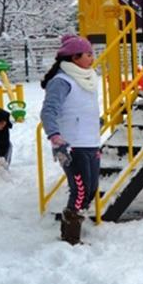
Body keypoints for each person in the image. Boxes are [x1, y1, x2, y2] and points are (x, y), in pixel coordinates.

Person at [40, 34, 101, 244]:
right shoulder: (61, 81)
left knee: (91, 189)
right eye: (88, 54)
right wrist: (55, 137)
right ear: (74, 57)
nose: (92, 58)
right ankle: (70, 238)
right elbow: (49, 111)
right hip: (71, 145)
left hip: (91, 142)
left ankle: (73, 226)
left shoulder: (88, 78)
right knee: (80, 189)